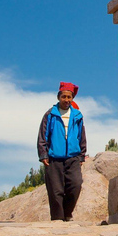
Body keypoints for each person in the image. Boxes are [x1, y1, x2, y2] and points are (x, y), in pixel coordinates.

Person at [37, 82, 87, 221]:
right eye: (64, 97)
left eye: (69, 97)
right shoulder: (50, 115)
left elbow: (81, 136)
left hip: (73, 157)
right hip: (54, 158)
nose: (66, 100)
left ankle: (67, 213)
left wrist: (82, 155)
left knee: (76, 185)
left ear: (72, 98)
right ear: (59, 97)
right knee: (55, 191)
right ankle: (58, 219)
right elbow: (43, 135)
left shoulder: (77, 115)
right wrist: (43, 154)